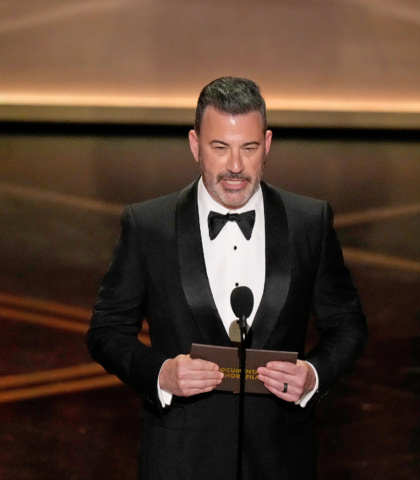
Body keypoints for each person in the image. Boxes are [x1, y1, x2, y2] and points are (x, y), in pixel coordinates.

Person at [87, 76, 367, 480]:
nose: (235, 166)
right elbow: (107, 331)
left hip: (280, 459)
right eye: (220, 148)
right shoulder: (149, 225)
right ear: (195, 145)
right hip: (180, 461)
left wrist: (314, 375)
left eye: (248, 148)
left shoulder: (309, 221)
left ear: (266, 145)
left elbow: (347, 323)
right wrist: (161, 374)